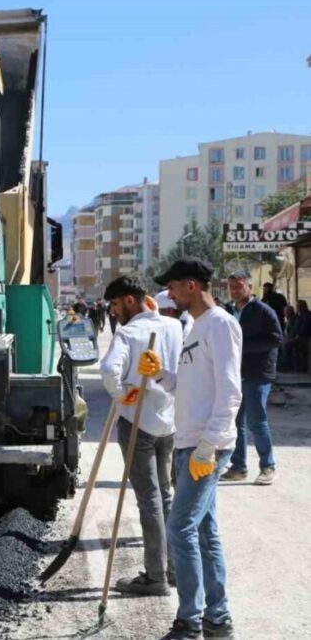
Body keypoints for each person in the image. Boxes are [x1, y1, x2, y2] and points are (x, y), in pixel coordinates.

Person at [142, 257, 241, 640]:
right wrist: (161, 376)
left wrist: (209, 446)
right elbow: (191, 386)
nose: (168, 294)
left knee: (179, 528)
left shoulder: (220, 325)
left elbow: (231, 392)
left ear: (191, 286)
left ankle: (190, 621)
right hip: (190, 443)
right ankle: (218, 620)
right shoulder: (195, 327)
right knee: (203, 533)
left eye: (172, 286)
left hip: (204, 447)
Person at [100, 275, 183, 596]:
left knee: (149, 500)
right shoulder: (175, 327)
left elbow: (109, 370)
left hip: (137, 423)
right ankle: (174, 568)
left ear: (130, 301)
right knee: (166, 496)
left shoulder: (129, 333)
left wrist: (121, 394)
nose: (114, 311)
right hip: (169, 422)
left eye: (116, 304)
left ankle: (155, 577)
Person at [219, 271, 283, 485]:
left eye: (239, 286)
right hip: (235, 374)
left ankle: (268, 466)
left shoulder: (263, 310)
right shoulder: (229, 310)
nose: (235, 291)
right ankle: (238, 467)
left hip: (258, 374)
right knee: (235, 422)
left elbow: (276, 338)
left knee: (256, 421)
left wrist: (243, 347)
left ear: (249, 286)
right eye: (232, 287)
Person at [297, 300, 311, 373]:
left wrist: (298, 335)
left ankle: (302, 368)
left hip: (306, 338)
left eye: (298, 306)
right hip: (302, 337)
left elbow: (304, 328)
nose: (297, 308)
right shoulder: (301, 315)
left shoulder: (307, 315)